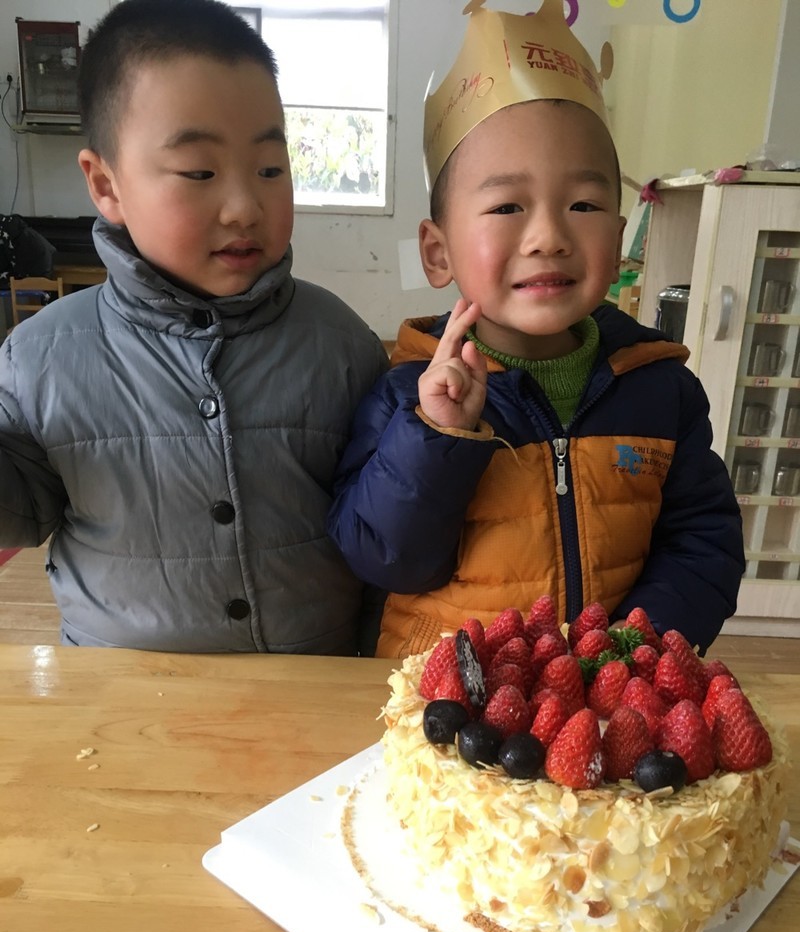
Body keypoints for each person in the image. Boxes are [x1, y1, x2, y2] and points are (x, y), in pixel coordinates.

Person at [328, 1, 744, 658]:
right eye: (506, 206)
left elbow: (704, 543)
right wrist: (437, 436)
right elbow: (385, 558)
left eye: (583, 203)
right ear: (438, 251)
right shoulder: (408, 394)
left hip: (599, 697)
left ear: (618, 239)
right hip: (442, 700)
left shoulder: (662, 391)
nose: (548, 236)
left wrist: (629, 648)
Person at [0, 0, 387, 654]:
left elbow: (383, 537)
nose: (243, 207)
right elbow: (20, 511)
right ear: (106, 184)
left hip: (311, 692)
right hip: (121, 699)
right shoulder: (40, 357)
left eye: (270, 169)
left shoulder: (343, 345)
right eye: (200, 172)